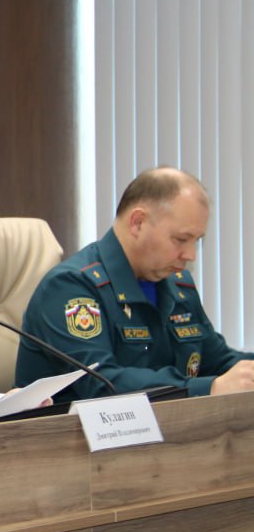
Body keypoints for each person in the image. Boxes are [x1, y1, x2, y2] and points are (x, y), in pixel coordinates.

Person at [16, 166, 254, 401]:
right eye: (181, 239)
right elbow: (101, 383)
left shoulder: (178, 286)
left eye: (197, 240)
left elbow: (218, 360)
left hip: (171, 424)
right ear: (138, 222)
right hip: (80, 426)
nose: (190, 255)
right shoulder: (70, 287)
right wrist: (208, 388)